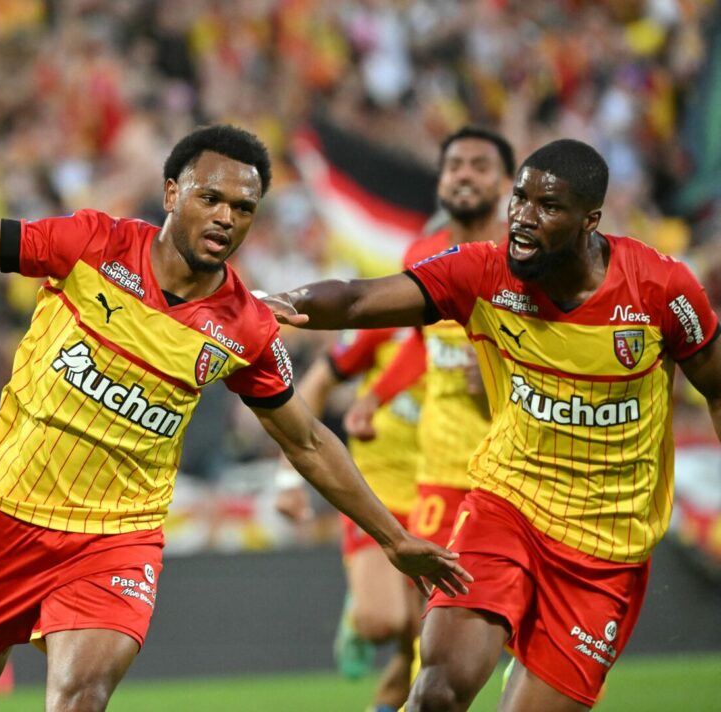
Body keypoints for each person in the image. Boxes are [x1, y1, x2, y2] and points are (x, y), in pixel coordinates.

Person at [0, 124, 470, 712]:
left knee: (80, 697)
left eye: (244, 209)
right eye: (211, 198)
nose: (226, 218)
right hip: (9, 510)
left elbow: (306, 440)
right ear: (172, 191)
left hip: (117, 534)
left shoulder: (244, 327)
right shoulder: (92, 246)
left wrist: (395, 538)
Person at [265, 138, 721, 711]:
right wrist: (276, 303)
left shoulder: (660, 288)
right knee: (436, 692)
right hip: (506, 508)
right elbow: (359, 300)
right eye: (520, 199)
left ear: (590, 220)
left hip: (609, 547)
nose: (524, 218)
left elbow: (717, 387)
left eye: (548, 207)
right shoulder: (483, 270)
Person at [277, 126, 515, 712]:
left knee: (445, 636)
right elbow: (416, 342)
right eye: (453, 165)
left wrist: (500, 379)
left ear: (508, 184)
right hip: (428, 476)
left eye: (479, 165)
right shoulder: (418, 265)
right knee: (414, 630)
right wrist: (377, 397)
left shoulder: (527, 265)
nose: (463, 175)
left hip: (508, 475)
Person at [275, 326, 425, 711]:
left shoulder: (475, 329)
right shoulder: (389, 323)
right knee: (383, 622)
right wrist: (288, 478)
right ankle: (358, 613)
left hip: (438, 495)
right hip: (377, 495)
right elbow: (315, 384)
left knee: (424, 641)